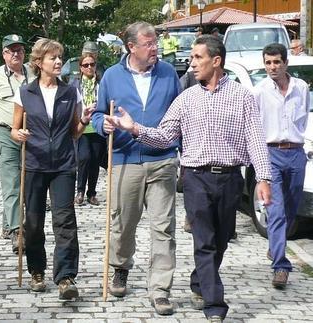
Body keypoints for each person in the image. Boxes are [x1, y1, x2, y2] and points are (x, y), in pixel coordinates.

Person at [105, 35, 272, 322]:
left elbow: (255, 139)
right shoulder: (185, 99)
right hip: (195, 178)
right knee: (204, 242)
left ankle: (200, 282)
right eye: (192, 58)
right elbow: (164, 136)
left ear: (216, 61)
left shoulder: (243, 97)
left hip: (231, 178)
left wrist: (264, 179)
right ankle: (214, 305)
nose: (192, 63)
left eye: (197, 58)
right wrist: (134, 129)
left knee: (220, 241)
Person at [91, 21, 181, 316]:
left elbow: (178, 113)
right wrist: (102, 124)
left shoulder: (168, 73)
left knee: (163, 227)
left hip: (162, 158)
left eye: (155, 42)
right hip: (125, 159)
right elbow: (99, 113)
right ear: (132, 47)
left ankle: (160, 289)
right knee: (123, 223)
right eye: (149, 44)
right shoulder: (112, 77)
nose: (155, 48)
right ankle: (120, 267)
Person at [11, 37, 93, 300]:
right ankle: (36, 270)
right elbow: (14, 129)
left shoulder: (70, 92)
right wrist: (19, 134)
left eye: (59, 57)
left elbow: (75, 133)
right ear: (38, 63)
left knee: (65, 221)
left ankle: (66, 276)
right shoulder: (25, 92)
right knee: (33, 223)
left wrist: (83, 120)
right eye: (52, 58)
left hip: (63, 165)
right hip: (34, 163)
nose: (58, 62)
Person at [254, 43, 309, 289]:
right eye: (268, 62)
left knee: (290, 208)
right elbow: (255, 128)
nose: (272, 67)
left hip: (296, 153)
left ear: (285, 63)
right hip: (271, 154)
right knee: (275, 210)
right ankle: (280, 265)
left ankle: (275, 245)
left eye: (276, 62)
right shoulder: (259, 91)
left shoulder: (302, 88)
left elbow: (302, 121)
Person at [0, 34, 34, 253]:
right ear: (4, 54)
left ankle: (8, 221)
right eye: (11, 50)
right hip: (5, 132)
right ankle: (17, 230)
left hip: (31, 134)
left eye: (19, 50)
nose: (16, 54)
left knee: (28, 182)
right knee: (12, 182)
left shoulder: (34, 74)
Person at [71, 52, 105, 206]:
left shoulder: (101, 83)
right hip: (82, 126)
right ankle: (80, 191)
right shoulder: (75, 84)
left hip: (97, 126)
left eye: (92, 64)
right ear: (81, 68)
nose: (89, 67)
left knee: (95, 160)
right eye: (86, 65)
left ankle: (91, 193)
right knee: (84, 158)